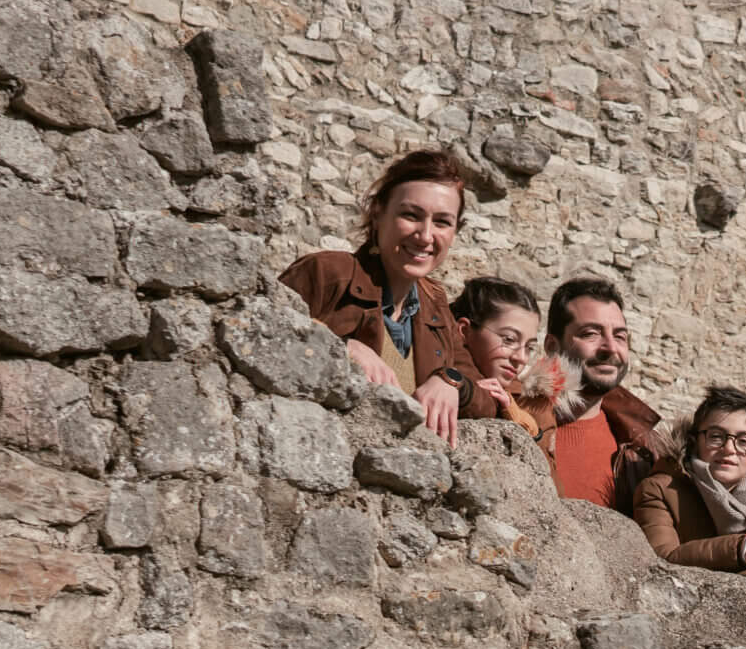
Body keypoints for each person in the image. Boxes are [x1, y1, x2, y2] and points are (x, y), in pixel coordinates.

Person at [278, 150, 500, 445]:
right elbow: (266, 336)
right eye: (411, 215)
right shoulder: (325, 273)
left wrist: (451, 381)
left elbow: (487, 399)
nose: (425, 235)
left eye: (442, 222)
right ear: (378, 213)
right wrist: (340, 347)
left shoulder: (436, 305)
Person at [632, 387, 746, 579]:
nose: (728, 448)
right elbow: (660, 558)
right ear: (694, 443)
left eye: (744, 441)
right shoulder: (660, 490)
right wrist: (738, 549)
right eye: (716, 436)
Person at [535, 275, 668, 514]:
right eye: (590, 334)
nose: (610, 348)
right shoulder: (517, 423)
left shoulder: (644, 451)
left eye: (619, 336)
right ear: (553, 347)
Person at [449, 276, 549, 443]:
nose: (521, 358)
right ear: (464, 330)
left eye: (529, 347)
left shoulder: (520, 401)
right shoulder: (438, 371)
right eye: (509, 339)